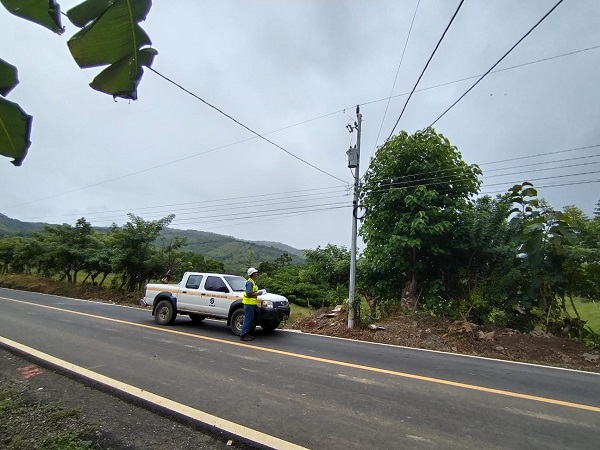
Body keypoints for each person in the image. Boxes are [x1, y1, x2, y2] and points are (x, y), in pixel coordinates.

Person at [240, 267, 264, 341]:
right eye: (255, 273)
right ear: (253, 274)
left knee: (251, 319)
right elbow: (248, 293)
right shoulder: (249, 283)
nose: (256, 274)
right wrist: (258, 293)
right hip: (249, 304)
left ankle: (249, 333)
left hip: (252, 304)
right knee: (248, 319)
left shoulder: (252, 282)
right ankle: (243, 335)